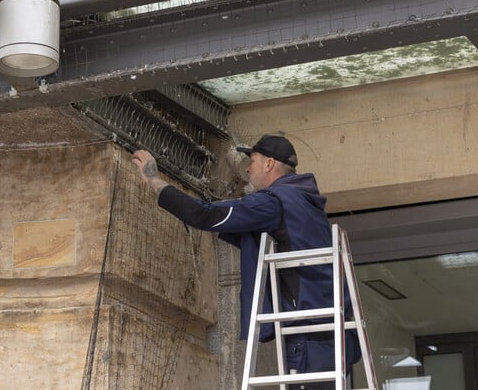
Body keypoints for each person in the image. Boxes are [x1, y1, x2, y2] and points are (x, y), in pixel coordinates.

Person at [131, 134, 361, 389]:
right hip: (336, 336)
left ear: (269, 164)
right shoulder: (308, 205)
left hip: (310, 339)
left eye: (252, 161)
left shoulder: (273, 203)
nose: (248, 169)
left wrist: (155, 181)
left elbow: (208, 215)